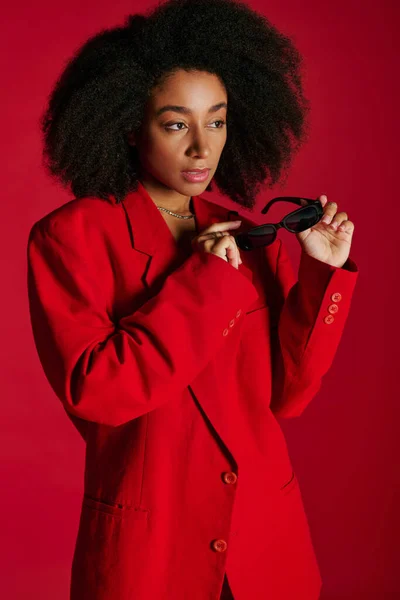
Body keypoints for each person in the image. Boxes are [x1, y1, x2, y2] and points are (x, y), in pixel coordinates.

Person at [26, 0, 359, 598]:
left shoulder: (245, 232)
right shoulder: (70, 237)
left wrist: (322, 275)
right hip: (152, 553)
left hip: (265, 548)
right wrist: (204, 282)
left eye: (218, 121)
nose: (203, 149)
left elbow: (288, 395)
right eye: (177, 124)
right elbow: (99, 391)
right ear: (131, 124)